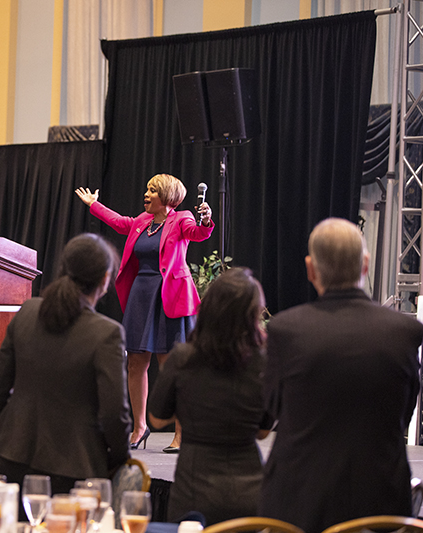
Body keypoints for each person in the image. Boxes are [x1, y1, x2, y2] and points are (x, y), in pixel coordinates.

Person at [260, 218, 423, 533]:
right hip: (380, 502)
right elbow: (404, 414)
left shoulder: (285, 330)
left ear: (310, 269)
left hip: (298, 503)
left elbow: (272, 409)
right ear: (365, 264)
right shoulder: (405, 331)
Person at [0, 233, 131, 516]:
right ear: (105, 280)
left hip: (11, 457)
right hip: (75, 471)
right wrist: (118, 458)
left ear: (63, 268)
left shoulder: (27, 312)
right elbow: (114, 413)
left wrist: (5, 432)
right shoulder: (107, 333)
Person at [76, 174, 213, 452]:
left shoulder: (182, 219)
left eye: (152, 190)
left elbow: (198, 233)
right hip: (141, 296)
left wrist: (207, 220)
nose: (146, 194)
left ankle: (181, 432)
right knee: (136, 362)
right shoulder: (141, 222)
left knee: (171, 365)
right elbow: (120, 222)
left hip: (170, 295)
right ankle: (139, 427)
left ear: (167, 197)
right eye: (147, 189)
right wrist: (94, 205)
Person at [148, 268, 272, 525]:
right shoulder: (266, 362)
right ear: (253, 314)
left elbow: (157, 420)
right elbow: (262, 432)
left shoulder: (183, 357)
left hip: (194, 491)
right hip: (252, 492)